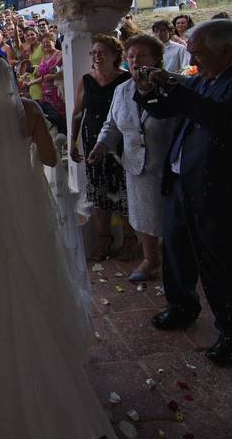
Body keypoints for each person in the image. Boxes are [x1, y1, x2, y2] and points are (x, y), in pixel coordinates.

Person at [0, 57, 115, 438]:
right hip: (26, 198)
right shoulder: (30, 110)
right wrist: (39, 144)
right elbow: (50, 157)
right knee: (33, 258)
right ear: (13, 80)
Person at [136, 19, 232, 366]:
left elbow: (222, 119)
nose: (194, 60)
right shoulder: (204, 78)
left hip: (223, 193)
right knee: (177, 253)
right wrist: (148, 90)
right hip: (183, 184)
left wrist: (179, 87)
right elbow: (167, 109)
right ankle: (181, 306)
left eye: (199, 53)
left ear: (226, 51)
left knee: (223, 266)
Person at [89, 35, 176, 282]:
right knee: (143, 216)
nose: (136, 60)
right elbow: (112, 124)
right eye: (132, 56)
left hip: (168, 164)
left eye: (142, 55)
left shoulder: (173, 85)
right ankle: (150, 259)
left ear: (156, 59)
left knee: (172, 218)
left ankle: (177, 260)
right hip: (137, 165)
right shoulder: (122, 90)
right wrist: (101, 146)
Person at [70, 35, 134, 262]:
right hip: (91, 139)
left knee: (124, 191)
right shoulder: (86, 80)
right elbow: (78, 113)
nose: (96, 56)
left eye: (101, 52)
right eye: (93, 53)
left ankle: (129, 239)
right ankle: (103, 239)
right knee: (98, 191)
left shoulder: (127, 80)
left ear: (116, 55)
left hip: (120, 143)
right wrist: (73, 142)